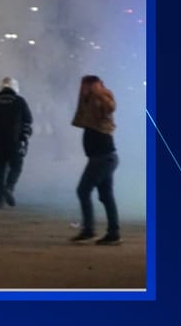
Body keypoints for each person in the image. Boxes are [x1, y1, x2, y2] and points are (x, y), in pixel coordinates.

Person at [69, 75, 121, 245]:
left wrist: (98, 92)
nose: (82, 89)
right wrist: (87, 94)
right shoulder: (88, 103)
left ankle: (89, 230)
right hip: (103, 157)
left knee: (83, 190)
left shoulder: (102, 99)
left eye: (86, 86)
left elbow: (110, 108)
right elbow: (80, 115)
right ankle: (113, 233)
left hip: (103, 158)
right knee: (106, 196)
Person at [0, 77, 33, 208]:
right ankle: (8, 188)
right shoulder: (20, 101)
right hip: (14, 141)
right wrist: (24, 136)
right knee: (16, 166)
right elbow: (29, 119)